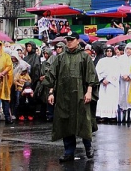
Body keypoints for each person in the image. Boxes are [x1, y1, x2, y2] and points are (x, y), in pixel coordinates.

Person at [45, 31, 99, 162]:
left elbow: (91, 75)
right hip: (64, 96)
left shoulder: (84, 57)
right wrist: (51, 92)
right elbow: (52, 75)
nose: (69, 41)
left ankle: (88, 147)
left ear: (77, 40)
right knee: (65, 122)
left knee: (84, 121)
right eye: (67, 39)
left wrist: (89, 91)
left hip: (81, 95)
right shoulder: (60, 57)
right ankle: (68, 152)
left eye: (71, 39)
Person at [95, 46, 120, 121]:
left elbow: (117, 72)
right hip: (103, 84)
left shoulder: (116, 61)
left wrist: (109, 80)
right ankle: (102, 116)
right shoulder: (101, 61)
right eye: (107, 51)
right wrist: (102, 79)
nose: (109, 52)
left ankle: (112, 116)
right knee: (103, 99)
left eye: (110, 51)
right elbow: (97, 71)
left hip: (111, 84)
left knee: (111, 99)